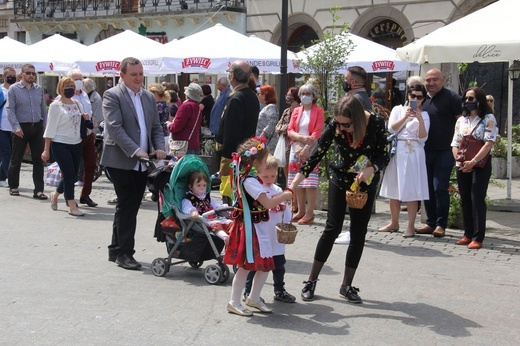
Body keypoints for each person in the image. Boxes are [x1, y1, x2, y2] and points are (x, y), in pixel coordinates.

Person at [289, 95, 389, 304]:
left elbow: (384, 155)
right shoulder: (335, 124)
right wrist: (295, 183)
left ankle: (346, 285)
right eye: (340, 123)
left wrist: (372, 168)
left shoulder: (376, 124)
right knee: (331, 228)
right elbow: (317, 153)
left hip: (365, 183)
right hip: (340, 179)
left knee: (358, 232)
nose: (342, 128)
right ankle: (311, 280)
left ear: (359, 119)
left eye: (346, 124)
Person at [101, 57, 166, 270]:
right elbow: (114, 128)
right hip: (120, 160)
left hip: (143, 161)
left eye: (140, 74)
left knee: (128, 205)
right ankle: (125, 253)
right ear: (122, 75)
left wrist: (159, 147)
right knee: (128, 203)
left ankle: (115, 249)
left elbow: (155, 126)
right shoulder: (112, 95)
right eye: (134, 75)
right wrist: (136, 151)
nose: (138, 78)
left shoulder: (148, 96)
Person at [224, 137, 293, 316]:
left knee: (266, 264)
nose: (265, 165)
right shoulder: (249, 181)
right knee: (245, 267)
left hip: (259, 228)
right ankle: (234, 301)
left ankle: (254, 298)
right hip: (250, 229)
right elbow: (268, 203)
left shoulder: (251, 178)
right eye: (264, 161)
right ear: (255, 162)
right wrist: (285, 195)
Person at [415, 68, 462, 238]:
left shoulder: (452, 98)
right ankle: (430, 223)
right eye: (428, 80)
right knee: (426, 187)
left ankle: (441, 224)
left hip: (445, 151)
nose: (431, 83)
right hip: (424, 150)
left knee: (439, 187)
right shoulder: (422, 99)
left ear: (443, 80)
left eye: (435, 79)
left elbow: (461, 123)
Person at [378, 84, 430, 237]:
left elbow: (423, 137)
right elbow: (392, 128)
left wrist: (419, 118)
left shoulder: (425, 115)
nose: (415, 99)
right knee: (394, 186)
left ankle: (411, 225)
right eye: (413, 96)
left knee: (411, 190)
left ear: (423, 99)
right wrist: (405, 116)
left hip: (414, 150)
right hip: (398, 149)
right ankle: (394, 222)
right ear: (408, 96)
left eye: (419, 97)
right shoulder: (397, 110)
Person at [243, 154, 296, 303]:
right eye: (265, 176)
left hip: (276, 235)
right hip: (262, 234)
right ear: (258, 173)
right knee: (255, 266)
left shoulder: (277, 189)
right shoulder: (257, 189)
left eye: (272, 176)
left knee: (279, 265)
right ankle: (248, 292)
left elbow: (285, 210)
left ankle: (279, 289)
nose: (269, 179)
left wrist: (286, 221)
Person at [451, 87, 497, 250]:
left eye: (471, 99)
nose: (468, 102)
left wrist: (474, 161)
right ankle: (467, 233)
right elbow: (455, 143)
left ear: (480, 100)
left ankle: (478, 236)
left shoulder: (488, 118)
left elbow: (489, 143)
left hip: (480, 164)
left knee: (476, 199)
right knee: (465, 199)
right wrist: (461, 160)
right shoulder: (461, 120)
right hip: (463, 164)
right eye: (466, 99)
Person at [42, 77, 89, 216]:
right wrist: (46, 150)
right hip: (60, 144)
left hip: (76, 143)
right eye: (66, 85)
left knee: (72, 176)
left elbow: (82, 124)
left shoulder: (76, 104)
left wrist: (86, 119)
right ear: (60, 88)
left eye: (72, 85)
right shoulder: (56, 105)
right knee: (68, 174)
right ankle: (71, 204)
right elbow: (50, 129)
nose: (69, 88)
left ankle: (55, 194)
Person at [216, 60, 260, 205]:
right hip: (246, 152)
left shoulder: (237, 98)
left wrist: (227, 156)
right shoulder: (252, 95)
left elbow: (231, 132)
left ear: (233, 76)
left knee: (229, 195)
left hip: (233, 157)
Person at [6, 64, 48, 199]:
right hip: (21, 127)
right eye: (28, 73)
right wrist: (16, 127)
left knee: (38, 159)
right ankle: (13, 186)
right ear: (22, 74)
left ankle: (39, 190)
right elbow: (10, 109)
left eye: (33, 73)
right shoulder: (14, 89)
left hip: (37, 126)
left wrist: (45, 127)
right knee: (16, 158)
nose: (31, 76)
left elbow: (43, 109)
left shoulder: (39, 89)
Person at [286, 83, 324, 225]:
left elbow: (317, 131)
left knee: (310, 181)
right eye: (302, 94)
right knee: (298, 181)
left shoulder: (318, 111)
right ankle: (301, 210)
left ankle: (310, 212)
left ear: (313, 96)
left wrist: (307, 146)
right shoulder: (296, 110)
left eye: (308, 94)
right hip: (296, 146)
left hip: (311, 148)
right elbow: (290, 130)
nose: (305, 97)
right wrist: (300, 138)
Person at [66, 69, 98, 208]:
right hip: (73, 135)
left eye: (81, 78)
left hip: (88, 133)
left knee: (91, 165)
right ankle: (69, 197)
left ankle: (85, 195)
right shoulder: (65, 97)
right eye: (75, 79)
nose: (79, 81)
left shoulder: (85, 94)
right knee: (71, 168)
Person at [181, 171, 232, 242]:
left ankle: (235, 240)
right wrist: (193, 211)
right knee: (216, 226)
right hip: (203, 222)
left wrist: (223, 208)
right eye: (198, 185)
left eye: (204, 185)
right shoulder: (189, 199)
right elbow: (187, 208)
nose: (202, 188)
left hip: (215, 218)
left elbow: (216, 206)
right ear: (190, 186)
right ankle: (225, 237)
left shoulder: (208, 198)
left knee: (230, 222)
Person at [168, 83, 203, 155]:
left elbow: (177, 125)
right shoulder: (197, 107)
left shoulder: (186, 106)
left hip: (183, 145)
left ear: (187, 94)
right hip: (194, 143)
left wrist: (169, 126)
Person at [275, 86, 300, 181]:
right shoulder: (287, 111)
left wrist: (285, 128)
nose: (287, 97)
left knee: (293, 169)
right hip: (285, 143)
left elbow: (294, 127)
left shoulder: (299, 110)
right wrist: (286, 128)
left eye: (290, 95)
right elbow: (278, 126)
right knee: (285, 167)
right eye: (287, 95)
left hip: (294, 143)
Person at [0, 67, 16, 188]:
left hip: (14, 127)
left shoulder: (16, 90)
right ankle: (2, 177)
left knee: (12, 154)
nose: (12, 77)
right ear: (4, 77)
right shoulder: (1, 90)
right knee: (7, 153)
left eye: (13, 75)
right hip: (2, 127)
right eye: (10, 75)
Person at [148, 83, 171, 153]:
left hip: (158, 137)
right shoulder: (165, 104)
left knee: (158, 162)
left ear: (155, 94)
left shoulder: (157, 106)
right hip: (165, 135)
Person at [256, 85, 278, 153]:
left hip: (267, 143)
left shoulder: (271, 107)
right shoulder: (266, 107)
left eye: (259, 94)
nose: (258, 96)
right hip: (262, 141)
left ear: (265, 95)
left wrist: (263, 135)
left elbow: (272, 123)